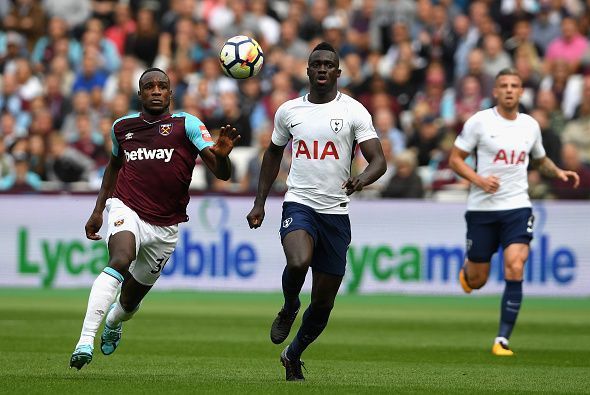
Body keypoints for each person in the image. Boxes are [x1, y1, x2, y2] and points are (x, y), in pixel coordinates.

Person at [69, 68, 240, 370]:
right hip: (127, 208)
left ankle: (113, 323)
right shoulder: (122, 127)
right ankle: (84, 340)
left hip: (165, 226)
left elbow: (221, 174)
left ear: (171, 93)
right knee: (120, 260)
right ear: (140, 94)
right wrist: (99, 211)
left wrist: (223, 156)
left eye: (162, 86)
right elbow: (113, 167)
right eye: (150, 86)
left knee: (129, 302)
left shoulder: (186, 124)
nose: (156, 91)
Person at [246, 42, 386, 381]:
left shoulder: (354, 111)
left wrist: (362, 179)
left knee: (323, 304)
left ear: (338, 72)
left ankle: (293, 354)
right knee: (298, 261)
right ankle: (290, 304)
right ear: (307, 71)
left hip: (336, 212)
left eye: (328, 65)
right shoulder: (289, 111)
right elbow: (272, 154)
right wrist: (260, 202)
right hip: (300, 202)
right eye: (316, 64)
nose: (322, 69)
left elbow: (379, 160)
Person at [449, 68, 580, 357]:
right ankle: (468, 272)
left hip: (517, 207)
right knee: (477, 280)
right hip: (482, 208)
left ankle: (502, 339)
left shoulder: (530, 125)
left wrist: (558, 172)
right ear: (495, 91)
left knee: (516, 265)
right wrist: (479, 180)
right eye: (504, 85)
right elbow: (455, 159)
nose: (509, 90)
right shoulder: (479, 122)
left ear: (522, 92)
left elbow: (540, 158)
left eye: (515, 85)